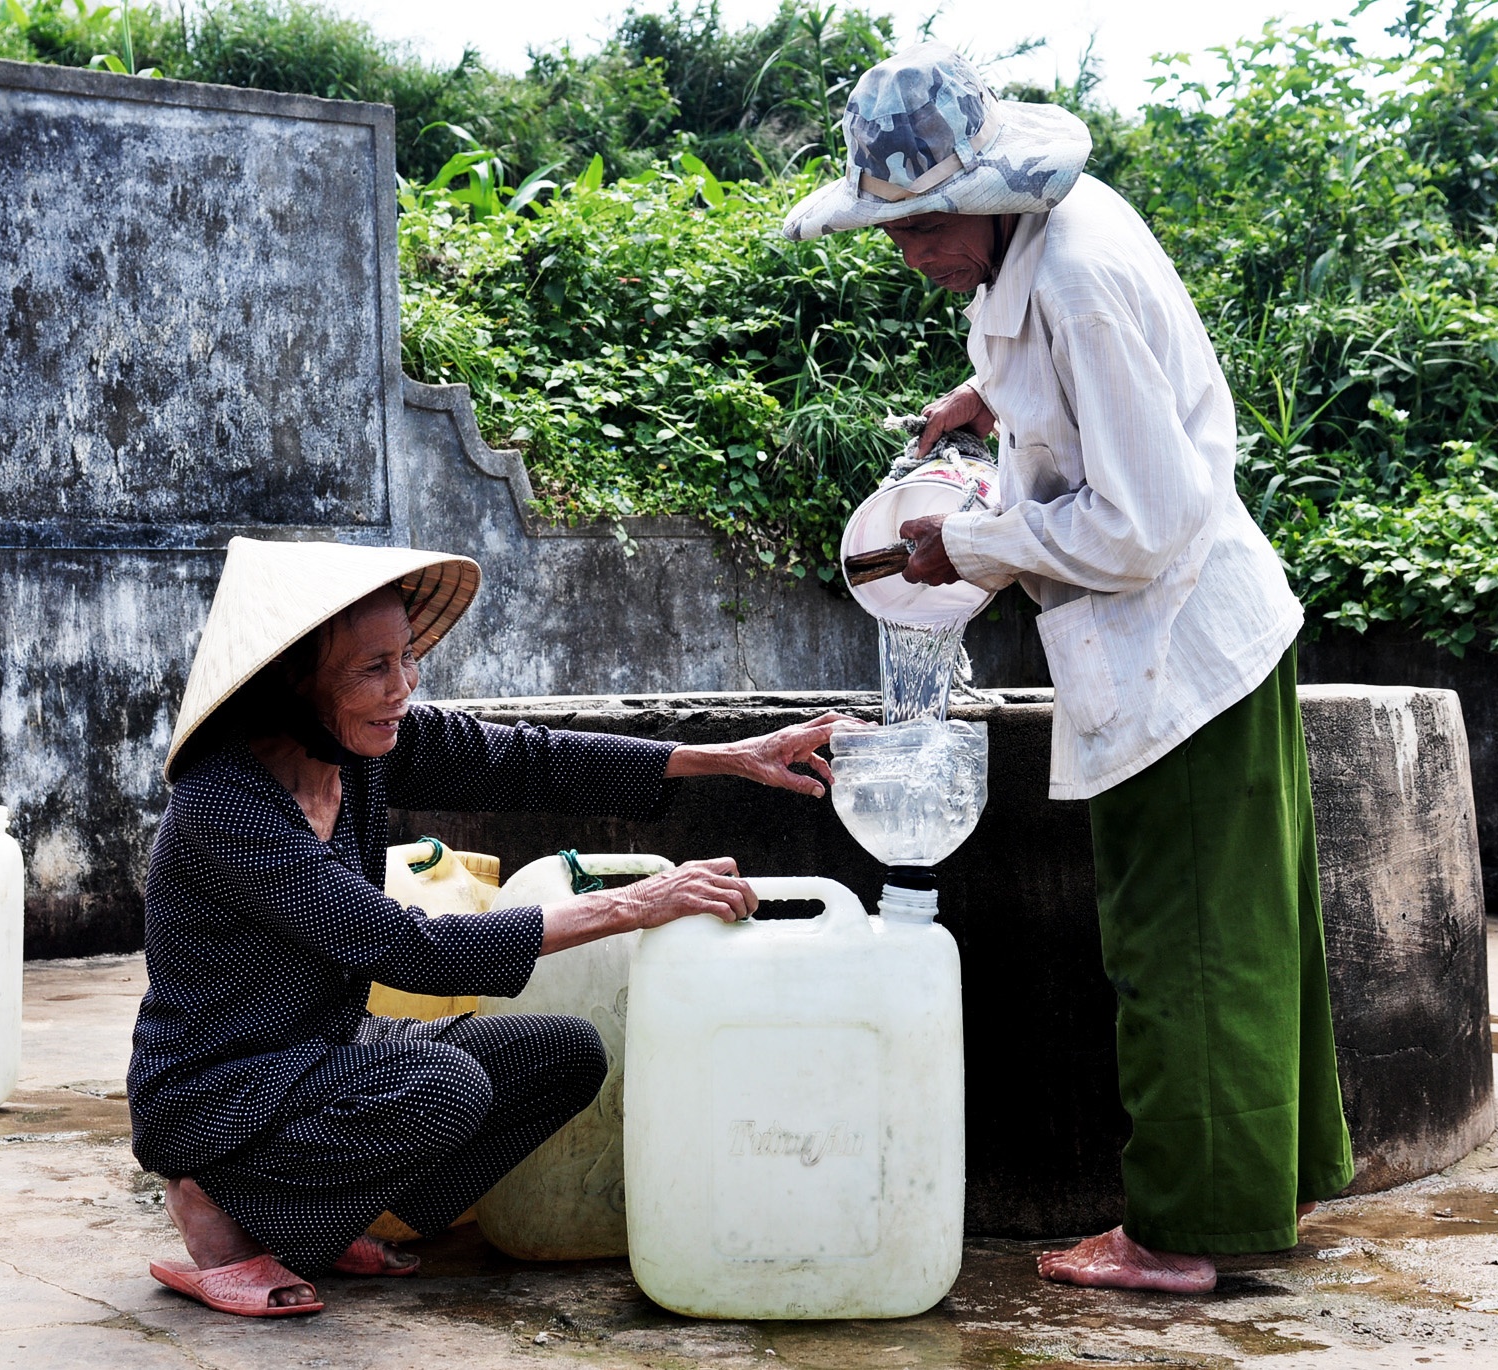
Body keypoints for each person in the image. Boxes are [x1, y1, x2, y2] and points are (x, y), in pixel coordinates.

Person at [784, 44, 1354, 1293]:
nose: (912, 255)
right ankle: (1253, 1187)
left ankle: (1176, 1236)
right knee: (1238, 931)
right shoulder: (1044, 236)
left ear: (985, 194)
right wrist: (981, 400)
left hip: (1178, 656)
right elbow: (1069, 382)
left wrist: (967, 541)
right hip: (1198, 646)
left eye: (923, 228)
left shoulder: (1079, 276)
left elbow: (1146, 520)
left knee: (1182, 943)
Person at [128, 537, 848, 1316]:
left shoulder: (365, 748)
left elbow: (528, 761)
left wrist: (730, 757)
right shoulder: (223, 807)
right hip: (221, 1093)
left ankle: (310, 1223)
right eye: (372, 669)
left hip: (327, 1057)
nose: (401, 688)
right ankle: (217, 1209)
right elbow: (414, 950)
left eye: (407, 659)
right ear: (290, 686)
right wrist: (634, 903)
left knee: (567, 1055)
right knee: (446, 1087)